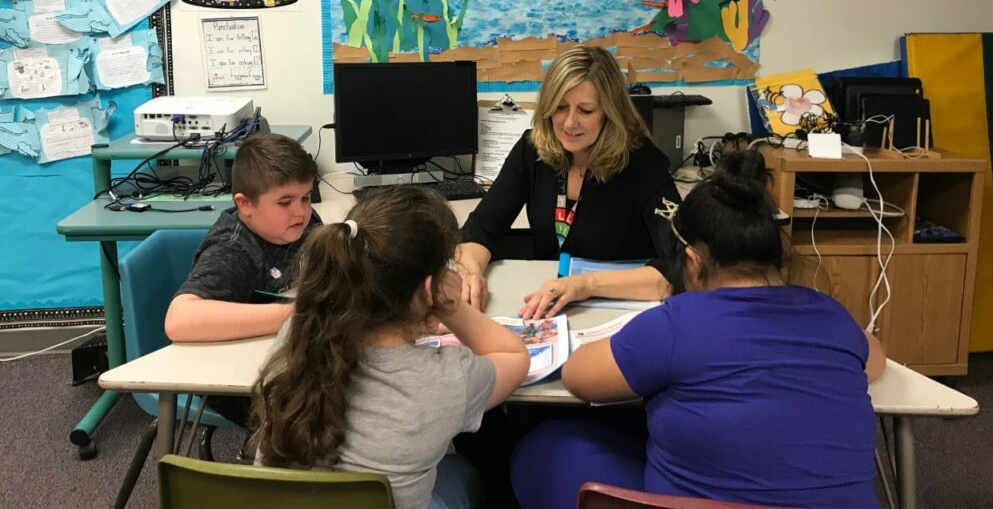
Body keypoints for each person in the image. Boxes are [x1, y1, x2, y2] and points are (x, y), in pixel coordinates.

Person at [510, 150, 886, 509]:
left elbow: (579, 377)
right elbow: (874, 359)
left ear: (691, 261)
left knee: (543, 451)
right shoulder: (832, 318)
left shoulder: (676, 324)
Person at [251, 187, 530, 509]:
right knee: (465, 470)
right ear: (431, 288)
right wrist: (451, 306)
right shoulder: (448, 380)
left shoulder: (297, 336)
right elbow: (513, 355)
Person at [457, 45, 681, 319]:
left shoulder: (643, 163)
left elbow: (682, 265)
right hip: (547, 307)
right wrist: (470, 274)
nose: (569, 122)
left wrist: (586, 285)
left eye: (586, 110)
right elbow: (481, 227)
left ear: (610, 113)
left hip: (619, 312)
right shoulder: (532, 150)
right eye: (560, 107)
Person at [164, 132, 320, 425]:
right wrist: (294, 314)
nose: (301, 211)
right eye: (285, 202)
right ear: (245, 204)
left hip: (289, 359)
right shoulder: (234, 248)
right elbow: (179, 320)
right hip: (241, 382)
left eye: (306, 197)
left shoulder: (302, 224)